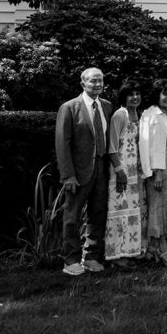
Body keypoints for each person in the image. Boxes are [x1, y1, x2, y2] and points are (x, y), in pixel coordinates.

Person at [55, 67, 113, 276]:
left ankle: (91, 257)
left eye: (100, 81)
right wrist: (67, 175)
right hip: (78, 172)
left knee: (98, 213)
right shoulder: (69, 108)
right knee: (72, 216)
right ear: (83, 84)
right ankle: (70, 260)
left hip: (101, 169)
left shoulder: (107, 106)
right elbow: (63, 143)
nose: (97, 85)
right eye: (93, 81)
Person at [139, 79, 167, 266]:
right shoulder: (154, 114)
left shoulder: (165, 112)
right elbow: (154, 146)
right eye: (165, 93)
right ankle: (163, 250)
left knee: (164, 208)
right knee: (157, 208)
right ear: (157, 94)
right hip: (160, 168)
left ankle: (152, 249)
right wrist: (156, 173)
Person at [105, 82, 146, 267]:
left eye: (138, 93)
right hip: (120, 172)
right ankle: (116, 256)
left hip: (135, 173)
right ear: (123, 97)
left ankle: (131, 251)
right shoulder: (119, 115)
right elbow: (112, 148)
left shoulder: (137, 114)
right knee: (118, 212)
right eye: (131, 94)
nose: (135, 97)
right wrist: (119, 172)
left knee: (132, 213)